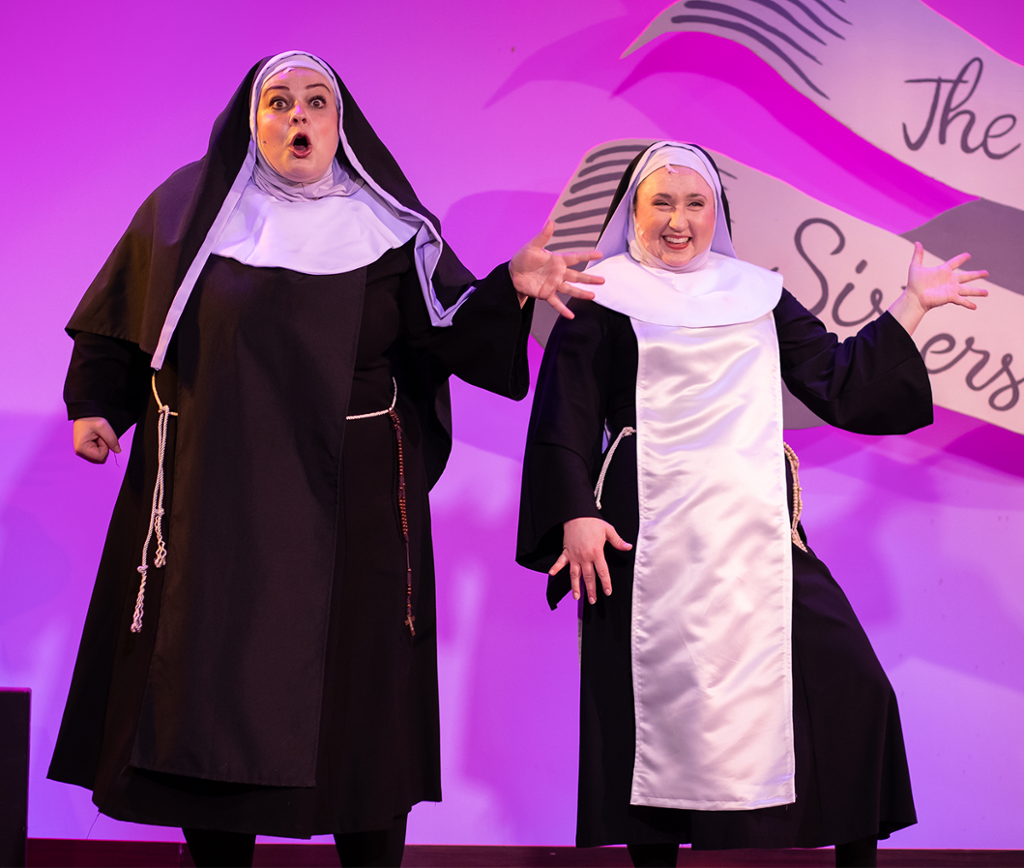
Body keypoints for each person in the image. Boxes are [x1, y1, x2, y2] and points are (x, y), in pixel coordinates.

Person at [49, 51, 601, 868]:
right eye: (280, 103)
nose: (298, 118)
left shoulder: (390, 231)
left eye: (317, 104)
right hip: (215, 497)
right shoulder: (185, 211)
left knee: (359, 705)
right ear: (253, 119)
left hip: (353, 503)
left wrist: (509, 288)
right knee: (212, 687)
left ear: (342, 127)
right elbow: (120, 319)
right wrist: (97, 402)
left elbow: (444, 333)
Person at [516, 142, 988, 868]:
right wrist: (575, 510)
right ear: (633, 212)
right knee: (654, 710)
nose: (679, 221)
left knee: (852, 684)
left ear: (717, 213)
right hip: (643, 528)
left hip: (756, 524)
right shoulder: (602, 296)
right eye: (662, 204)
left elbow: (837, 379)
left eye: (694, 203)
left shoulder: (756, 293)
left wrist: (914, 302)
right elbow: (565, 415)